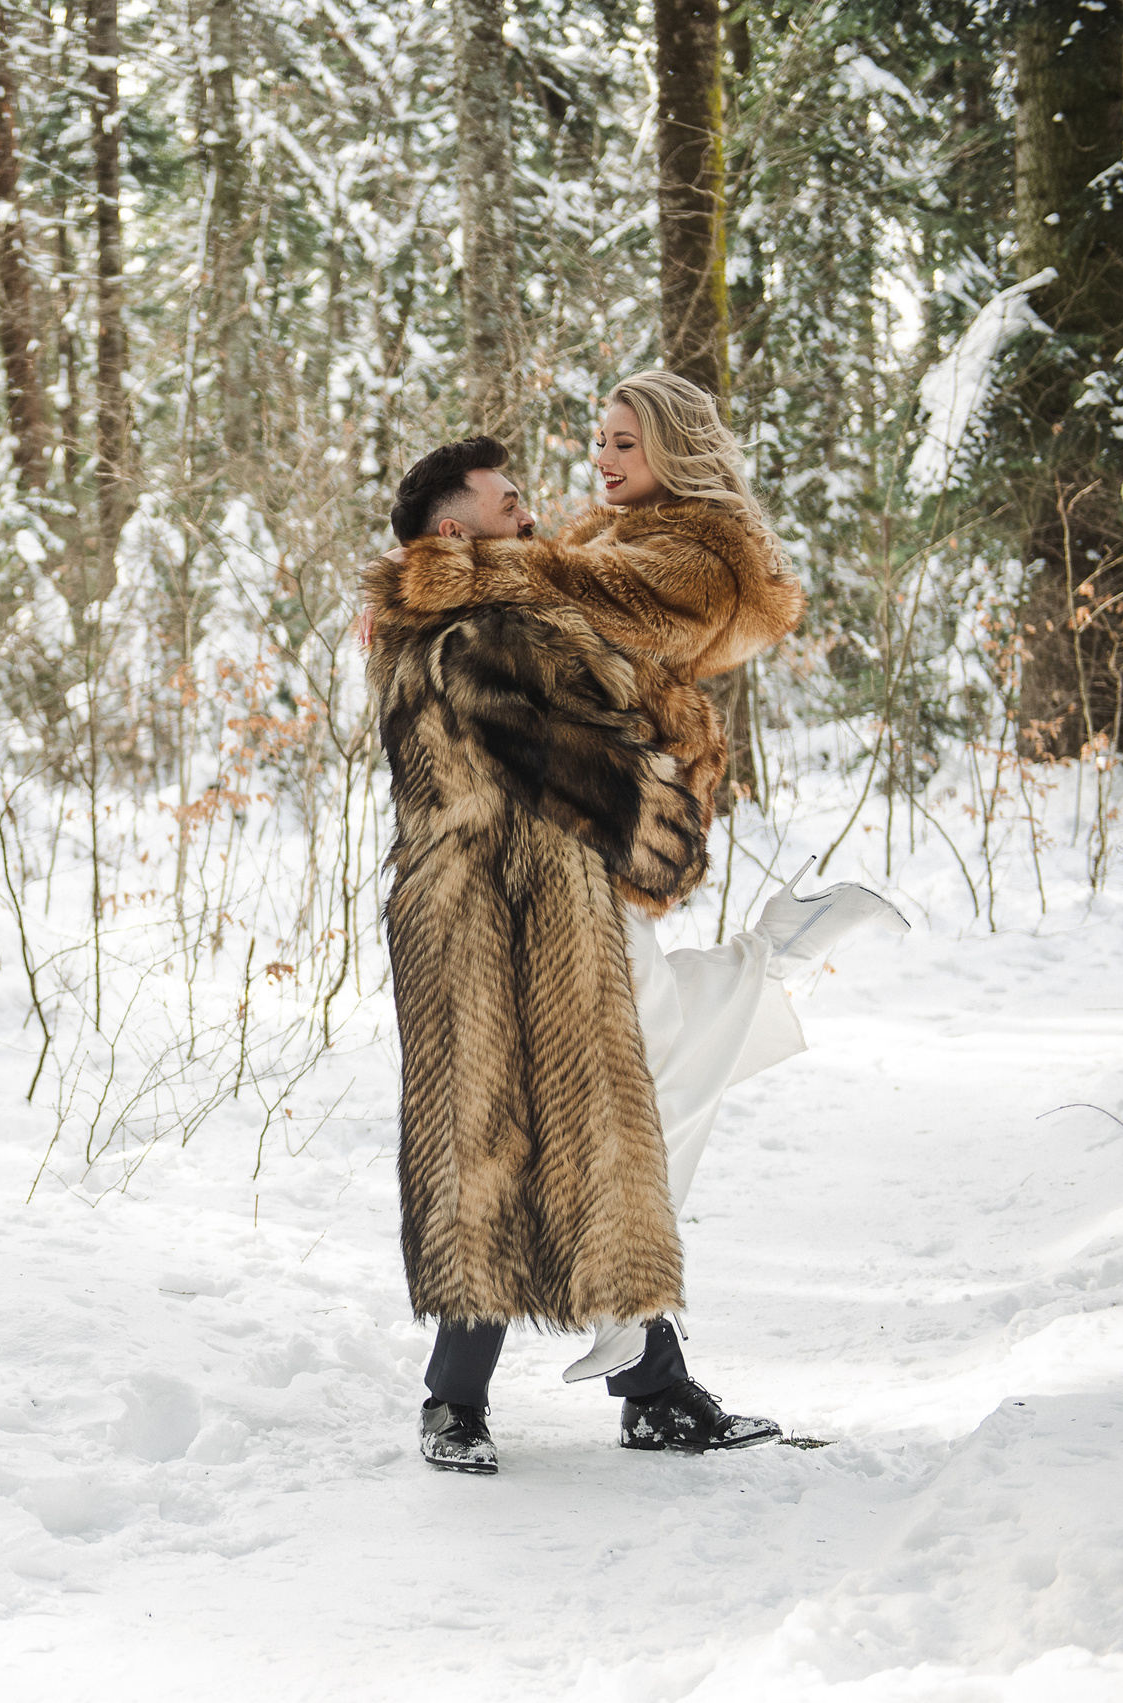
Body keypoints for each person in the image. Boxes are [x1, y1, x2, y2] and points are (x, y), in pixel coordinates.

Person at [364, 382, 903, 1476]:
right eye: (510, 503)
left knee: (583, 1116)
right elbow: (585, 767)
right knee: (525, 1130)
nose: (539, 510)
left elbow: (618, 642)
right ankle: (482, 1397)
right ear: (458, 532)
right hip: (509, 914)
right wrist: (664, 830)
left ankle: (618, 1384)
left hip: (515, 909)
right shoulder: (487, 628)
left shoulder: (484, 604)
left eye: (618, 446)